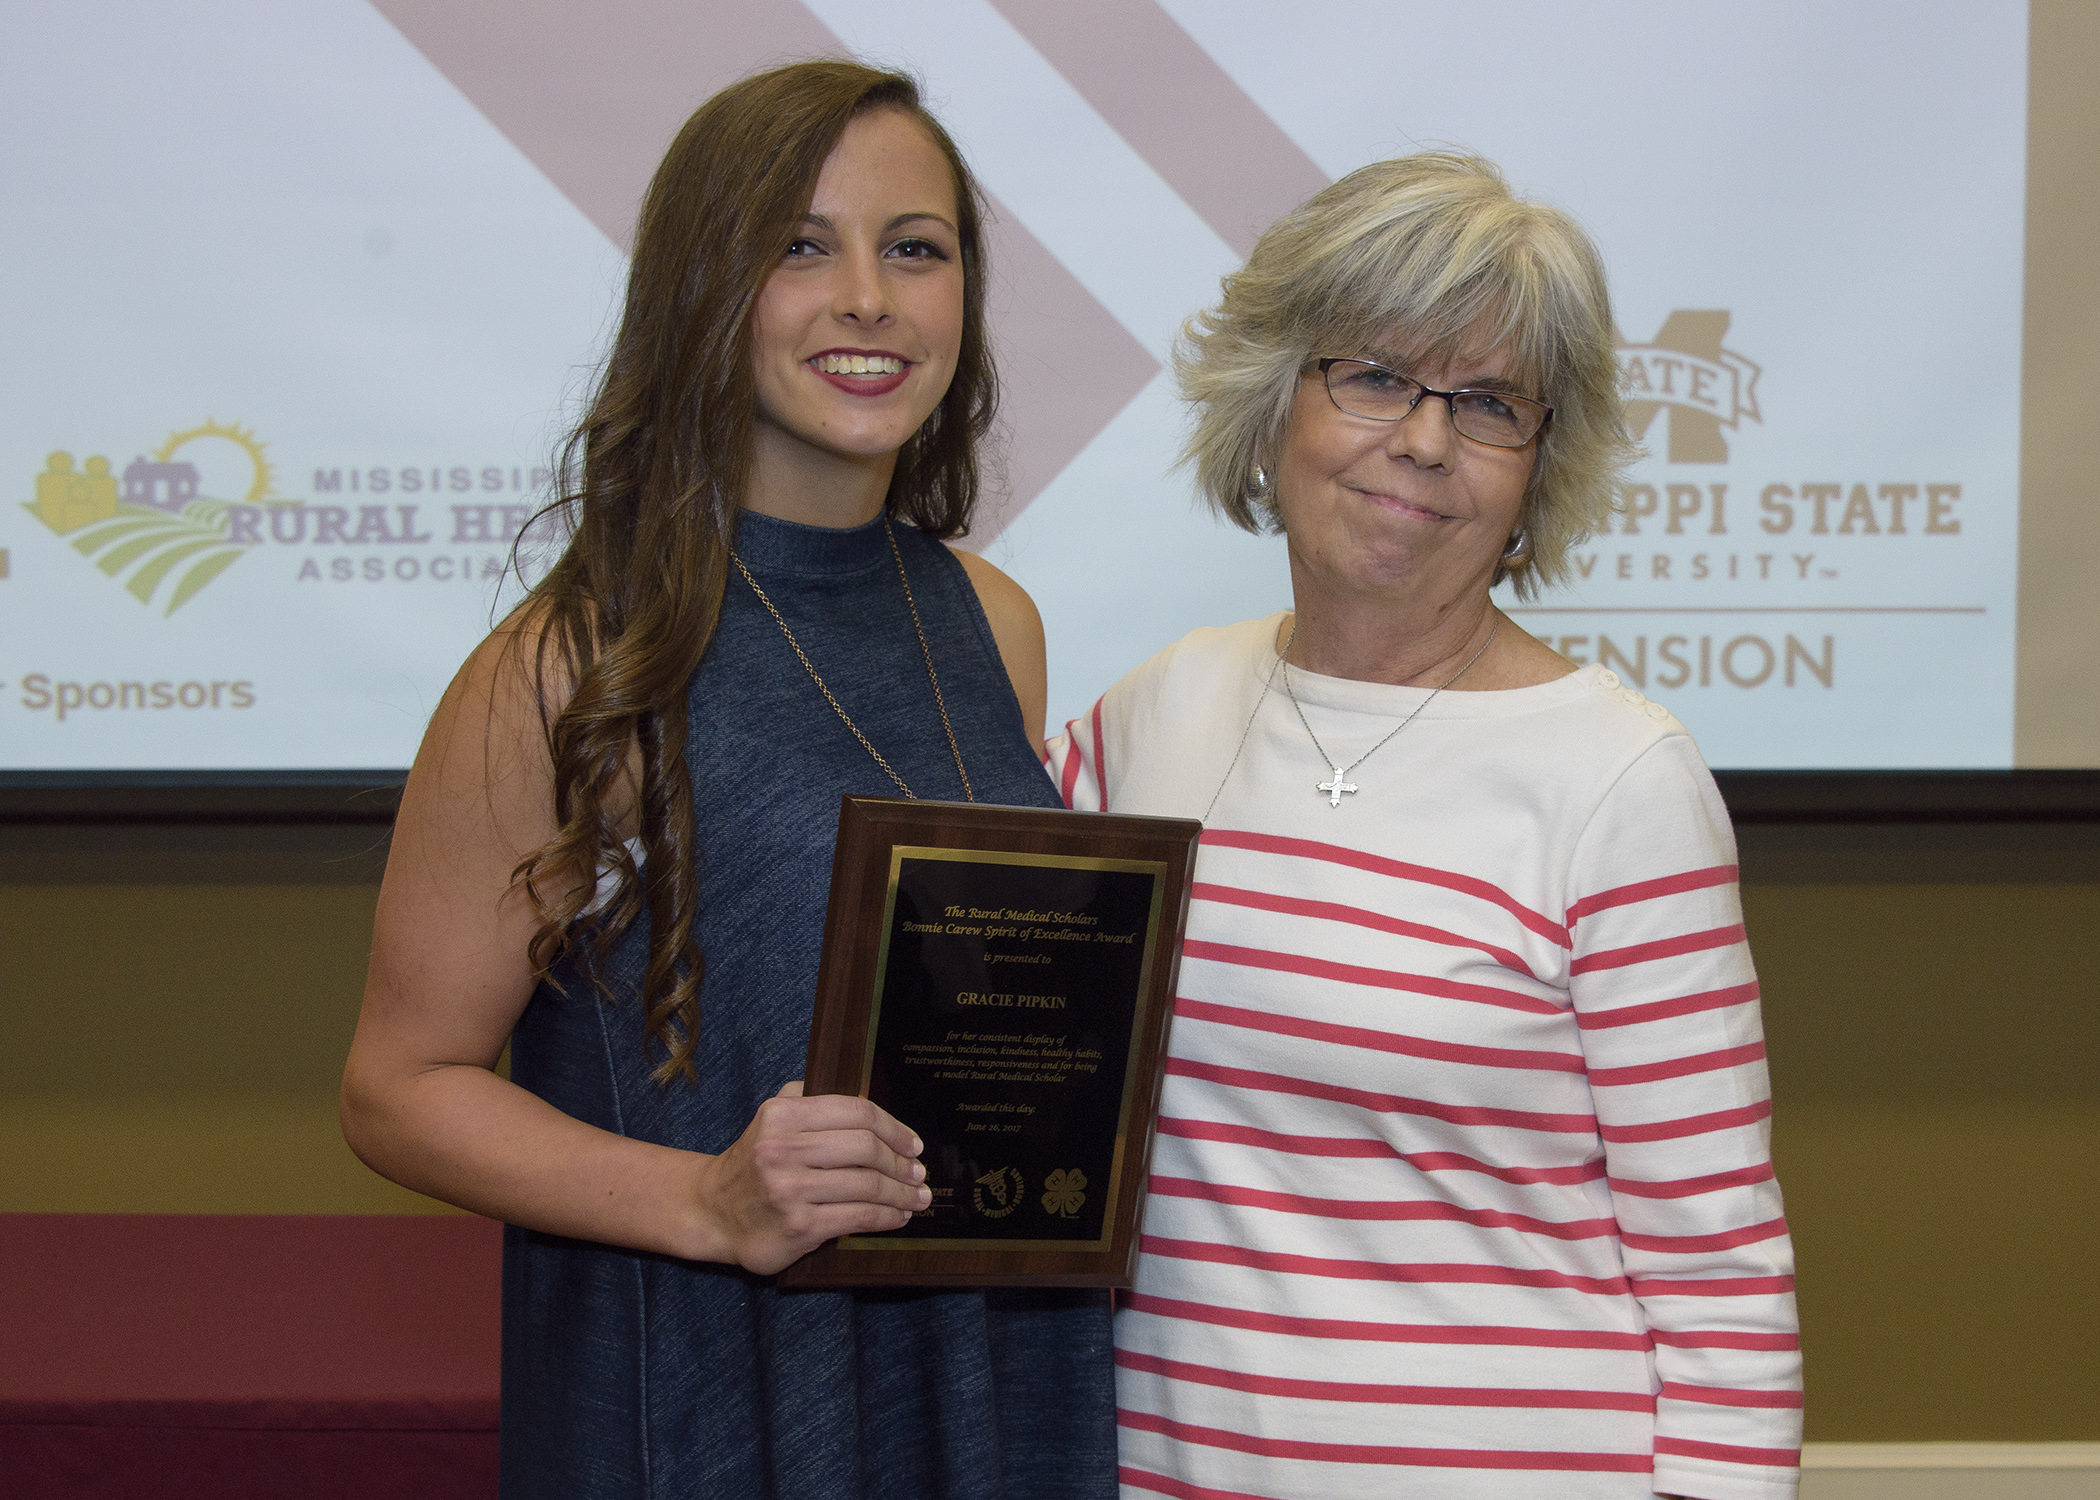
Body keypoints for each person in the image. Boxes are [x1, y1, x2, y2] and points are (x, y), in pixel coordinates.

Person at [340, 61, 1113, 1499]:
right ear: (702, 289)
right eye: (799, 245)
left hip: (981, 1371)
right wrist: (703, 1200)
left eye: (917, 248)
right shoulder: (576, 659)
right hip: (710, 1403)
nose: (869, 297)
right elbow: (399, 1085)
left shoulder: (991, 623)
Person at [1047, 154, 1801, 1500]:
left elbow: (1719, 1278)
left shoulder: (1623, 782)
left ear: (1537, 468)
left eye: (1491, 403)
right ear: (1274, 399)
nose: (1428, 440)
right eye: (1379, 377)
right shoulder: (1152, 717)